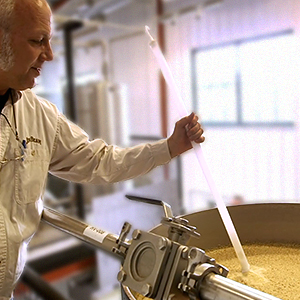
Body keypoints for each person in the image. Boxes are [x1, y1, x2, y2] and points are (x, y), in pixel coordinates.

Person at [0, 0, 205, 298]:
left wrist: (170, 147)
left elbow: (100, 162)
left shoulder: (37, 116)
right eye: (36, 41)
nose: (50, 54)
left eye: (49, 41)